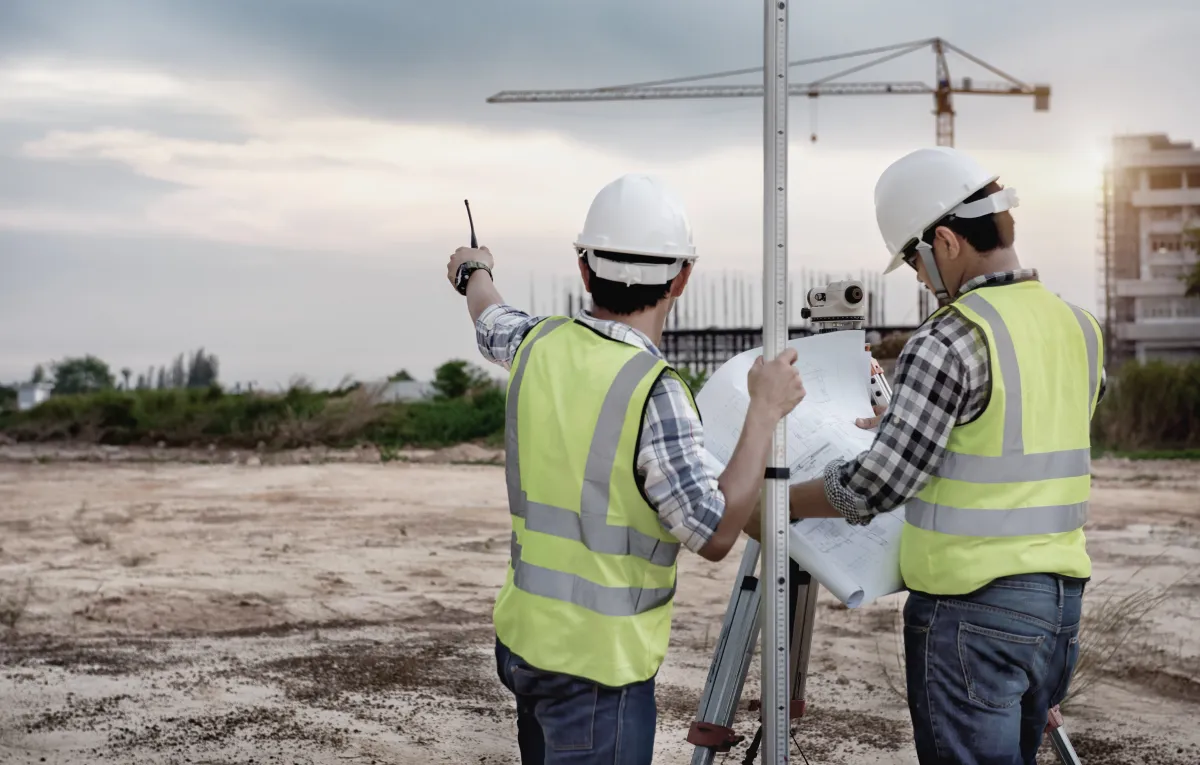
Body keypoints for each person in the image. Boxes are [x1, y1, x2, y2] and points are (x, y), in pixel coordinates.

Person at [445, 173, 807, 764]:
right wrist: (764, 412)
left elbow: (490, 317)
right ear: (682, 278)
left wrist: (473, 270)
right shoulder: (654, 391)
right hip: (597, 669)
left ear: (584, 270)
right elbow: (714, 532)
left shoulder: (536, 344)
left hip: (525, 645)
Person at [783, 146, 1107, 765]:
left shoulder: (953, 334)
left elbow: (876, 485)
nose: (919, 277)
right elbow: (1021, 436)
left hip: (973, 610)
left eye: (914, 259)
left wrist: (781, 500)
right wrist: (920, 424)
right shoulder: (1080, 327)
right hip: (1059, 609)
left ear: (946, 241)